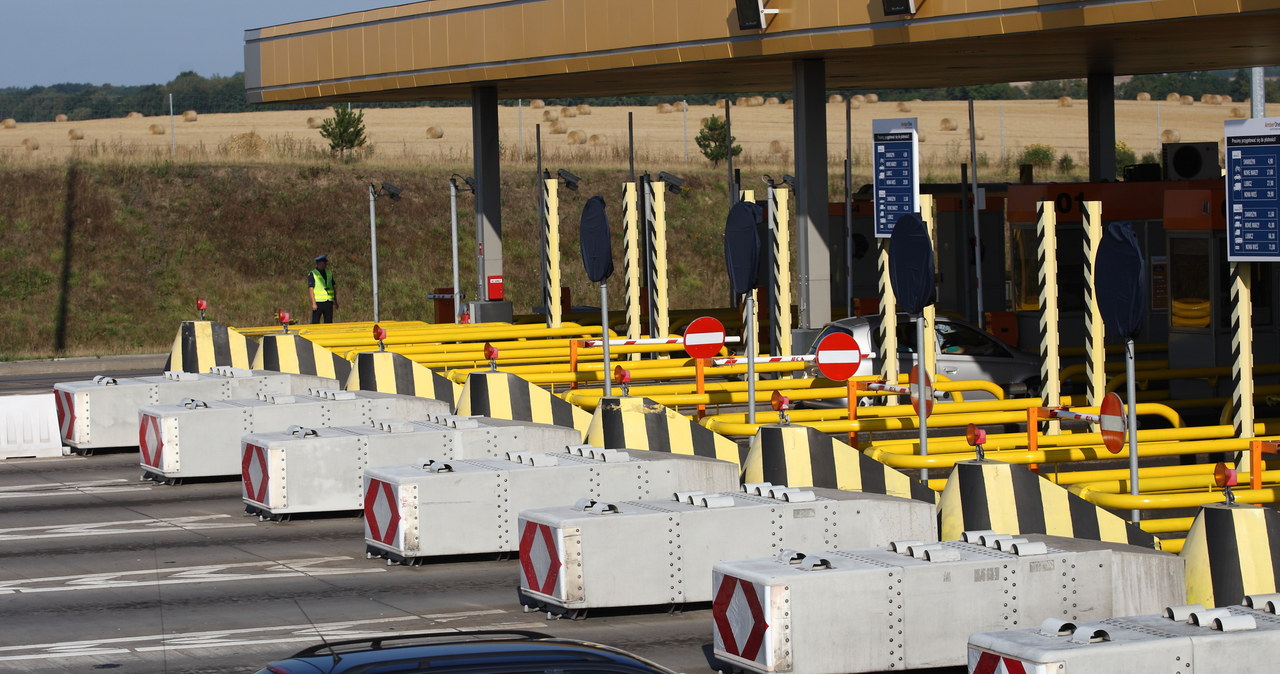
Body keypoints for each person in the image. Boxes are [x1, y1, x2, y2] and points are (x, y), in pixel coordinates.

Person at [308, 254, 337, 323]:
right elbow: (311, 289)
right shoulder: (313, 274)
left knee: (329, 322)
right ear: (319, 263)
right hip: (318, 302)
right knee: (315, 322)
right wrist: (313, 303)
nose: (326, 264)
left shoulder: (329, 273)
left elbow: (333, 287)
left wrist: (335, 301)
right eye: (324, 262)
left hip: (328, 301)